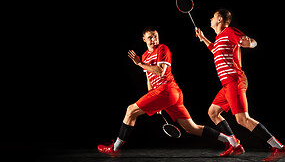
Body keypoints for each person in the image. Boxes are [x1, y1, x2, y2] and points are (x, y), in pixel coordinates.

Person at [98, 27, 243, 157]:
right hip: (166, 95)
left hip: (168, 90)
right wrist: (154, 101)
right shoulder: (144, 56)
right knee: (191, 128)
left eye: (155, 36)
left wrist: (140, 64)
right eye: (150, 37)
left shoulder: (162, 49)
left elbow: (161, 71)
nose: (154, 39)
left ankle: (115, 149)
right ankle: (231, 141)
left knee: (130, 111)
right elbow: (149, 78)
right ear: (144, 39)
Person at [195, 9, 285, 162]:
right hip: (226, 85)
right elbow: (215, 50)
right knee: (213, 112)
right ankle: (235, 145)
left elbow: (247, 41)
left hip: (235, 80)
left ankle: (279, 148)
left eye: (213, 17)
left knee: (243, 119)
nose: (210, 19)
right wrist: (203, 38)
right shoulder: (219, 38)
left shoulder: (229, 32)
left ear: (220, 19)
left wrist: (251, 42)